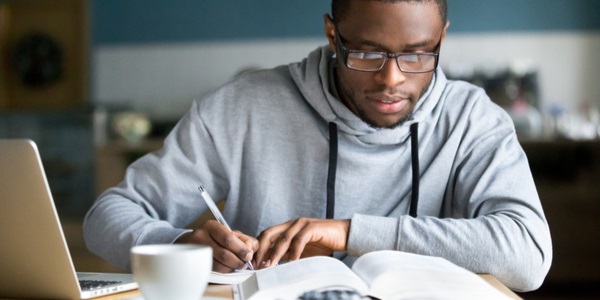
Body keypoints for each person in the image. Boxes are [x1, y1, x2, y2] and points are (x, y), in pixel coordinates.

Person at [84, 0, 552, 292]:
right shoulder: (241, 107)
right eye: (367, 52)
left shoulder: (471, 119)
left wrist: (348, 232)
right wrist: (180, 245)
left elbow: (528, 255)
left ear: (441, 40)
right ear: (333, 34)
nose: (392, 79)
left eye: (417, 54)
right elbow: (109, 215)